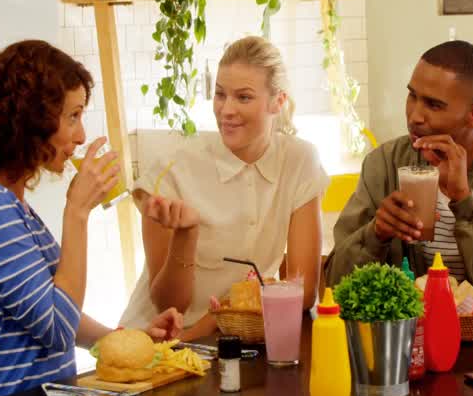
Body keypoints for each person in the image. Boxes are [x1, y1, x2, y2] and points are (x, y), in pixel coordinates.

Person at [0, 40, 181, 396]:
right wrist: (77, 212)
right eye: (73, 116)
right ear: (32, 119)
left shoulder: (8, 203)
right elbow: (55, 328)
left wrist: (124, 340)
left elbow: (51, 311)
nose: (82, 135)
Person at [120, 36, 328, 340]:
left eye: (243, 97)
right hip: (160, 345)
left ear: (278, 101)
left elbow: (303, 291)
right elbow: (168, 304)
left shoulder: (299, 160)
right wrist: (185, 235)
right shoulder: (173, 168)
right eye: (220, 95)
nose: (226, 110)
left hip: (237, 339)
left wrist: (217, 321)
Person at [325, 40, 473, 316]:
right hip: (408, 342)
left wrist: (465, 203)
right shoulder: (385, 164)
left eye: (434, 105)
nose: (415, 116)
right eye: (412, 96)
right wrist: (376, 233)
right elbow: (335, 286)